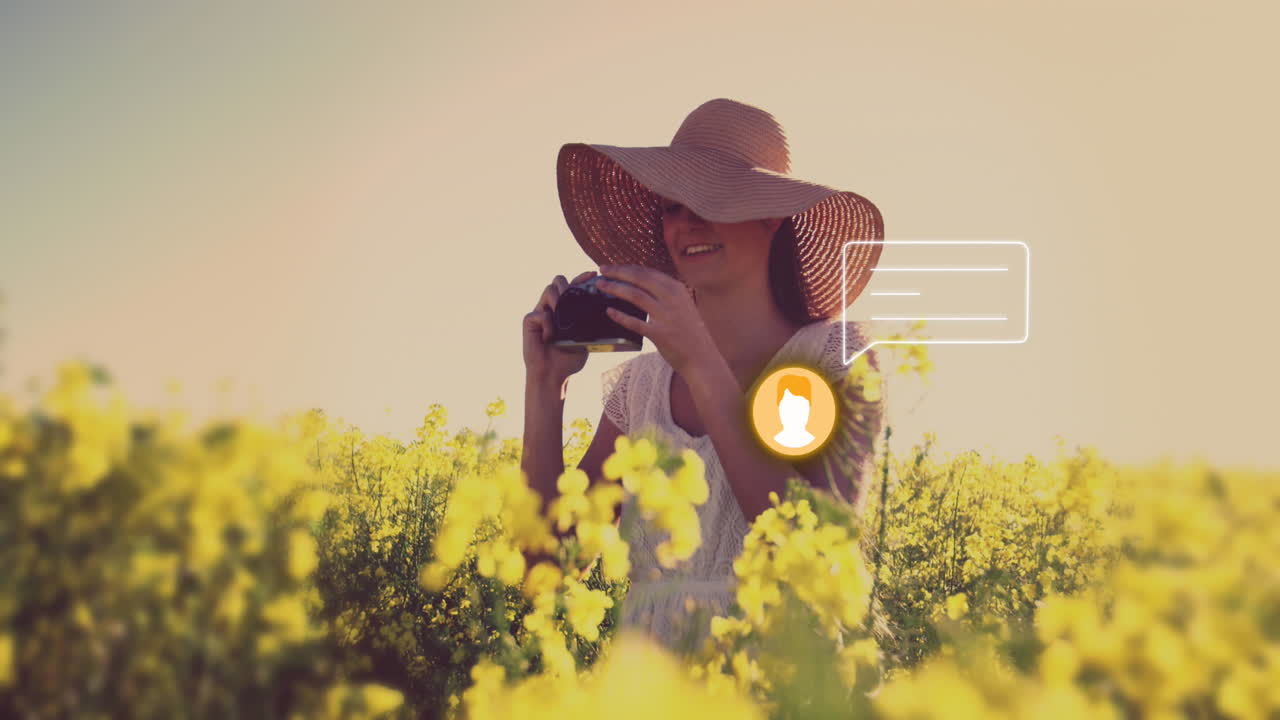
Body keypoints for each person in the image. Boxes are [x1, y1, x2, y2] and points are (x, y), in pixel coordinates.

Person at [521, 98, 887, 654]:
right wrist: (546, 390)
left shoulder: (833, 358)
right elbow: (544, 571)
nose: (686, 222)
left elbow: (806, 556)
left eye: (713, 201)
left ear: (772, 216)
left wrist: (698, 362)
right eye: (672, 205)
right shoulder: (641, 388)